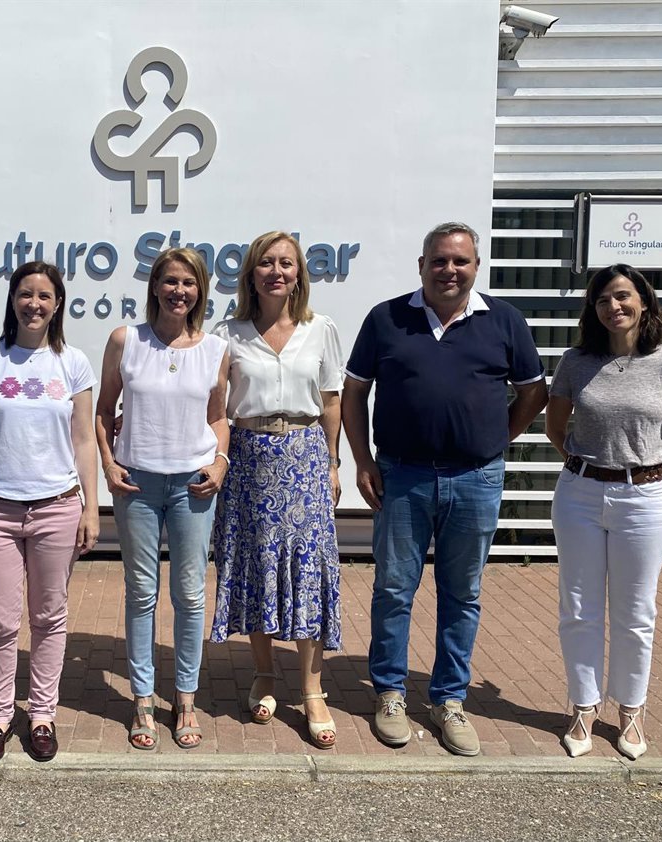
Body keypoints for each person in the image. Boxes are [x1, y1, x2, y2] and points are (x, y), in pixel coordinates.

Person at [343, 221, 548, 757]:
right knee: (393, 589)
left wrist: (495, 438)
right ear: (422, 265)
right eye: (439, 260)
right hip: (402, 476)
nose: (449, 270)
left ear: (476, 267)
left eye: (460, 261)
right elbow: (353, 393)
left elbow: (534, 393)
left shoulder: (504, 320)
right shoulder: (386, 318)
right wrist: (362, 460)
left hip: (476, 479)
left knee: (463, 593)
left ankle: (449, 699)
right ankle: (390, 693)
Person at [545, 264, 662, 760]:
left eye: (621, 296)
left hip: (644, 499)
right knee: (579, 608)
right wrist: (586, 470)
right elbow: (555, 427)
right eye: (602, 300)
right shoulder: (576, 361)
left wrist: (654, 484)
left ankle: (631, 710)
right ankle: (583, 706)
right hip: (579, 495)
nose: (612, 307)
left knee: (636, 613)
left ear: (644, 301)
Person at [0, 261, 99, 765]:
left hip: (57, 507)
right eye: (25, 294)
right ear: (12, 300)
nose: (34, 303)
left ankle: (41, 715)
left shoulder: (73, 363)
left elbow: (84, 440)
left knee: (49, 617)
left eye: (44, 296)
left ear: (57, 305)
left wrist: (91, 507)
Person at [210, 231, 343, 750]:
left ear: (299, 273)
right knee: (258, 566)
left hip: (305, 456)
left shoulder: (320, 328)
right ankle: (264, 673)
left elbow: (331, 401)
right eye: (266, 263)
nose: (276, 272)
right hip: (248, 458)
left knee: (308, 568)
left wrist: (333, 463)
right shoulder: (228, 333)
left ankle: (312, 690)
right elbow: (213, 405)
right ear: (251, 273)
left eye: (286, 263)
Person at [97, 248, 229, 751]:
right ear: (155, 286)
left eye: (189, 283)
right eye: (171, 281)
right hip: (138, 484)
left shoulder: (216, 349)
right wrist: (108, 464)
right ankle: (143, 699)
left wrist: (220, 462)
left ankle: (186, 698)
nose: (179, 291)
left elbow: (218, 416)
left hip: (194, 484)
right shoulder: (125, 341)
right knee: (141, 592)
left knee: (190, 594)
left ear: (200, 290)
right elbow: (103, 410)